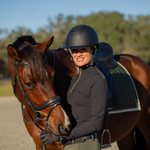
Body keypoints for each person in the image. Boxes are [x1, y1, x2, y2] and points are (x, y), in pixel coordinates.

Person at [40, 25, 108, 150]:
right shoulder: (75, 79)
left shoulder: (98, 80)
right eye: (75, 50)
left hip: (86, 144)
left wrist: (63, 137)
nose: (78, 54)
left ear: (93, 50)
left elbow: (95, 124)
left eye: (83, 49)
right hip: (70, 144)